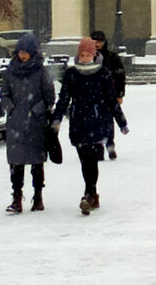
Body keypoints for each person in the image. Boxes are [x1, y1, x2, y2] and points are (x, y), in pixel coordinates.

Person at [52, 37, 128, 215]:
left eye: (88, 55)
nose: (85, 58)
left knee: (91, 160)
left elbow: (111, 99)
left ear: (94, 55)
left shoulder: (103, 73)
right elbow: (64, 99)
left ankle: (89, 193)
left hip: (97, 120)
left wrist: (121, 121)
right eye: (82, 55)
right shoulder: (72, 74)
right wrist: (57, 119)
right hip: (79, 121)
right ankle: (92, 193)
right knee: (84, 159)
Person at [0, 33, 55, 213]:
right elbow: (4, 94)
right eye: (20, 52)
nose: (22, 56)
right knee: (16, 163)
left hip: (36, 124)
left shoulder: (41, 72)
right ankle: (16, 197)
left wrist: (37, 110)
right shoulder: (10, 71)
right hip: (15, 122)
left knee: (37, 162)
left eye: (25, 52)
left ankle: (38, 195)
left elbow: (49, 97)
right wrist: (11, 108)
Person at [90, 29, 125, 159]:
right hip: (93, 95)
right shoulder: (88, 57)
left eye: (99, 42)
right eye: (94, 42)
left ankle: (110, 144)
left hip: (109, 95)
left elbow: (120, 76)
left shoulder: (112, 58)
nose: (97, 44)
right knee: (94, 123)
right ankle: (98, 147)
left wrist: (120, 94)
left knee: (108, 122)